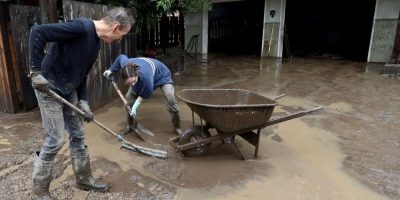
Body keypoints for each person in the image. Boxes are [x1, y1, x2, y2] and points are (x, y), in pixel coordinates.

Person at [29, 7, 134, 199]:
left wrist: (84, 101)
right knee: (56, 138)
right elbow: (38, 32)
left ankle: (84, 179)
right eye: (122, 35)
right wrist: (35, 72)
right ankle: (39, 190)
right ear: (116, 27)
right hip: (48, 87)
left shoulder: (96, 44)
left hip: (69, 89)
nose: (120, 40)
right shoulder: (80, 28)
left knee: (78, 134)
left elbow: (82, 73)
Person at [103, 54, 182, 135]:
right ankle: (130, 125)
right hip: (145, 75)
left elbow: (146, 93)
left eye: (133, 81)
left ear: (136, 74)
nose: (132, 85)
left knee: (170, 97)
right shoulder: (126, 64)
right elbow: (121, 57)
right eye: (129, 83)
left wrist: (135, 106)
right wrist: (111, 70)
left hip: (161, 75)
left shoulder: (146, 77)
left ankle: (177, 127)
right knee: (129, 98)